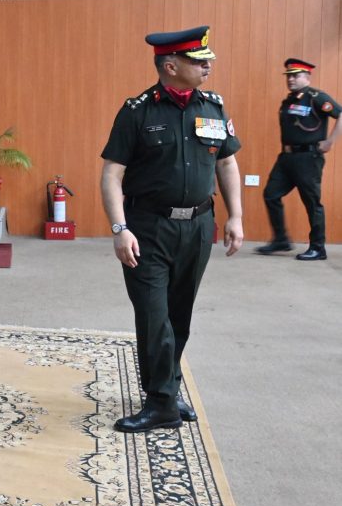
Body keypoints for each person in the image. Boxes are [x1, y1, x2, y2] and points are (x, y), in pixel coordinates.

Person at [100, 25, 243, 433]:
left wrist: (235, 216)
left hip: (198, 228)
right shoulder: (137, 112)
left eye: (207, 60)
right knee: (153, 316)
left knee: (179, 315)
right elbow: (112, 174)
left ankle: (167, 388)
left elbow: (227, 163)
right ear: (170, 66)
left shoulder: (213, 107)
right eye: (199, 61)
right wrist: (119, 228)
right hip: (148, 228)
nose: (208, 66)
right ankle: (162, 402)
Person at [255, 58, 339, 261]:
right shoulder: (289, 100)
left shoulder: (316, 97)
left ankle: (318, 248)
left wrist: (330, 141)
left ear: (307, 77)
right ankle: (281, 240)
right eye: (289, 76)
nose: (291, 79)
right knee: (271, 194)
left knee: (312, 203)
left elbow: (341, 113)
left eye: (296, 75)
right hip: (286, 158)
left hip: (308, 158)